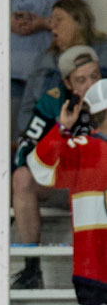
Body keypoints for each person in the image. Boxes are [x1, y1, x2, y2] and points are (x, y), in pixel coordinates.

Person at [25, 75, 107, 305]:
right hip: (95, 267)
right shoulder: (80, 147)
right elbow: (39, 169)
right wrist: (61, 129)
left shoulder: (82, 147)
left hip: (92, 265)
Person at [10, 45, 103, 287]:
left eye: (95, 76)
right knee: (22, 177)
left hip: (100, 187)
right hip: (65, 184)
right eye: (81, 80)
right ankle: (32, 269)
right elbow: (24, 152)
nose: (91, 85)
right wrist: (61, 131)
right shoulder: (52, 102)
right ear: (67, 84)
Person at [12, 0, 106, 141]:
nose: (52, 25)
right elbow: (27, 108)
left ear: (79, 22)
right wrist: (37, 139)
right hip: (52, 138)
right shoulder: (44, 60)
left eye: (59, 19)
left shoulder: (102, 53)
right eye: (51, 20)